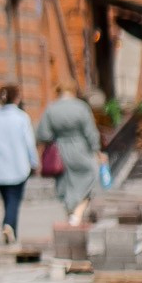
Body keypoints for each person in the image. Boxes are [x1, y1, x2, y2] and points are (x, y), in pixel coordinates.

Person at [35, 82, 104, 227]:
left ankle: (71, 214)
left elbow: (43, 134)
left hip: (60, 151)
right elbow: (90, 132)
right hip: (81, 149)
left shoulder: (51, 109)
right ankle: (77, 213)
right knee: (90, 178)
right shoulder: (81, 107)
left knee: (65, 183)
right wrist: (97, 151)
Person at [0, 82, 38, 242]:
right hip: (19, 166)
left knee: (6, 199)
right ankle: (9, 225)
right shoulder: (22, 118)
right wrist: (34, 162)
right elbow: (29, 143)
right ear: (16, 98)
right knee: (14, 199)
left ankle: (9, 227)